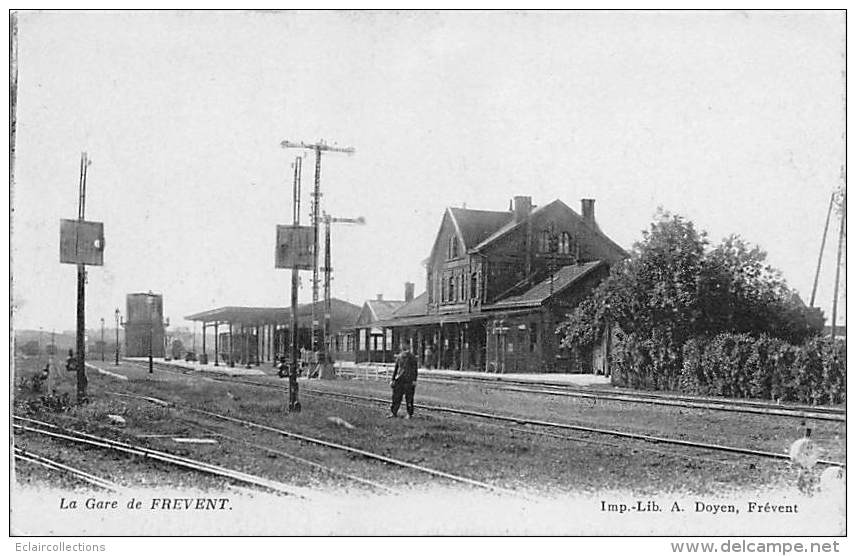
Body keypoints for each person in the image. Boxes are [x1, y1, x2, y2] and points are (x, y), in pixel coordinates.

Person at [388, 344, 418, 419]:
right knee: (396, 398)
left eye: (406, 349)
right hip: (399, 380)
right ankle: (393, 412)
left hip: (409, 380)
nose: (405, 351)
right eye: (404, 349)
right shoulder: (399, 357)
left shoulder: (412, 358)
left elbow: (415, 370)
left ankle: (409, 414)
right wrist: (393, 379)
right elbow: (396, 369)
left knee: (409, 399)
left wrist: (414, 380)